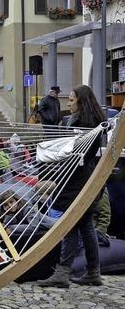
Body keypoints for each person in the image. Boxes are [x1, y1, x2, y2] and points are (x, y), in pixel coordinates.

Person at [37, 85, 107, 289]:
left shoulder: (83, 124)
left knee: (69, 224)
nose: (67, 103)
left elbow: (74, 152)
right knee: (86, 227)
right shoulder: (92, 123)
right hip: (86, 178)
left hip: (77, 181)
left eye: (71, 100)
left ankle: (62, 273)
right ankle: (93, 272)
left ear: (81, 102)